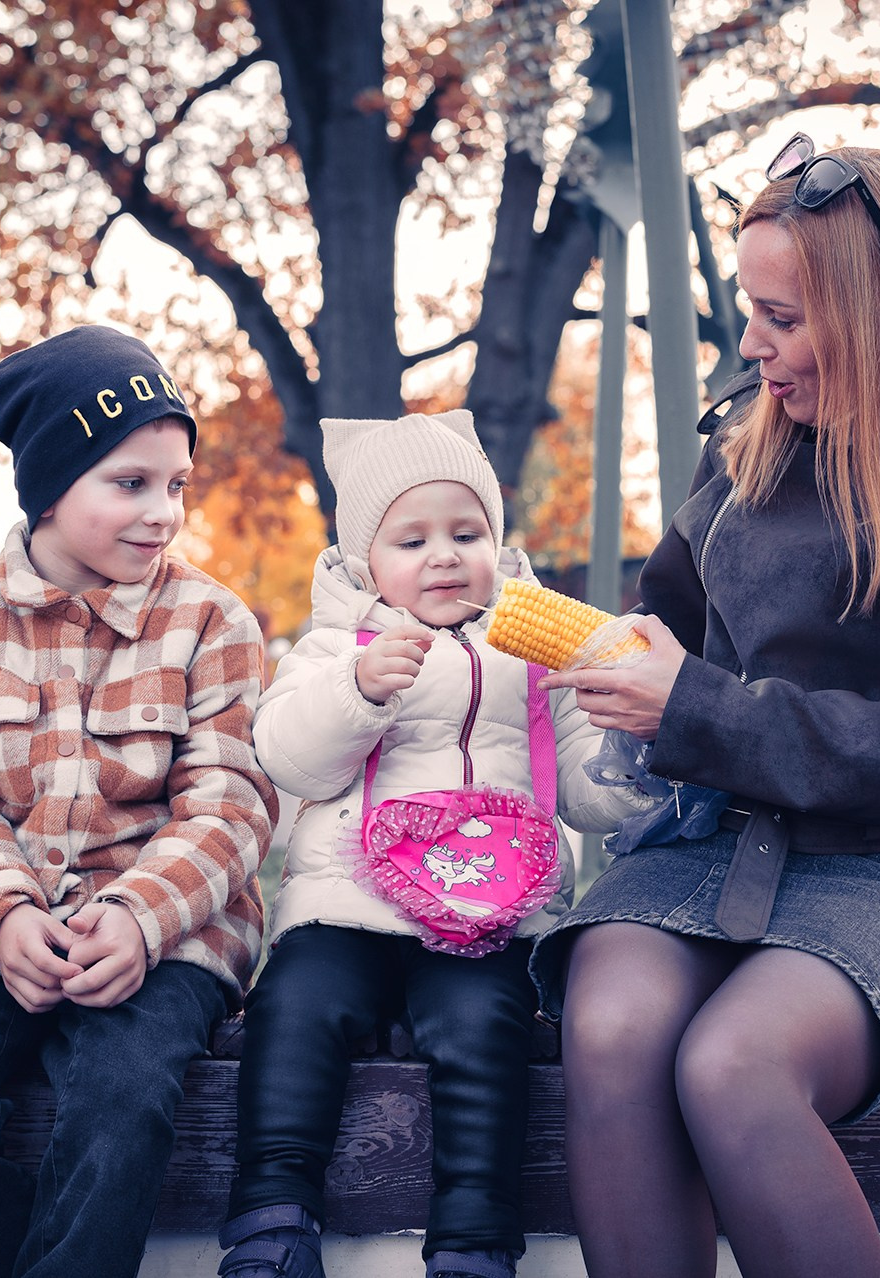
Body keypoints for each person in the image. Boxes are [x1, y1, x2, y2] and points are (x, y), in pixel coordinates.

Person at [530, 139, 880, 1278]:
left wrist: (687, 703)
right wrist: (607, 688)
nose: (751, 346)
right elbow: (668, 625)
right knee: (610, 1025)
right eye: (750, 310)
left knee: (732, 1065)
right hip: (703, 844)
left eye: (780, 318)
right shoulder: (744, 444)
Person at [0, 325, 279, 1278]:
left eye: (177, 486)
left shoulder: (212, 620)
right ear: (48, 486)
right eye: (130, 483)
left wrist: (138, 915)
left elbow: (231, 799)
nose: (163, 512)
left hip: (166, 936)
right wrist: (1, 916)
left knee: (121, 1097)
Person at [218, 411, 648, 1278]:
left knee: (484, 1026)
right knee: (295, 1010)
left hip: (490, 907)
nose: (445, 555)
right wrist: (357, 694)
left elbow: (583, 791)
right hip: (348, 905)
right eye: (411, 539)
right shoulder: (336, 647)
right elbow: (290, 757)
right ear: (363, 561)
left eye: (467, 531)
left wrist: (634, 753)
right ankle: (272, 1215)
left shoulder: (535, 656)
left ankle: (474, 1239)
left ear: (499, 539)